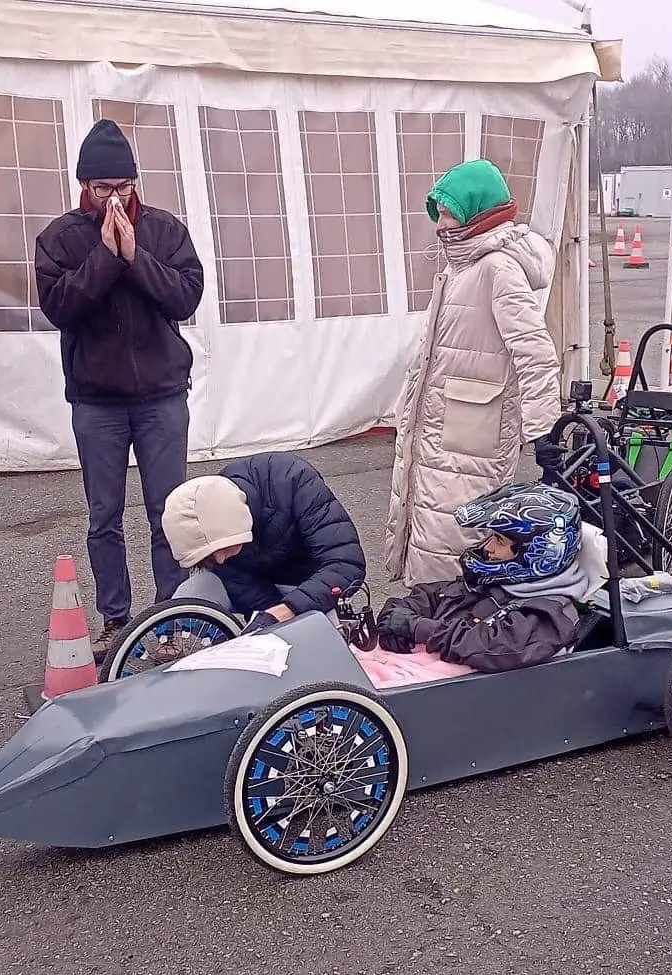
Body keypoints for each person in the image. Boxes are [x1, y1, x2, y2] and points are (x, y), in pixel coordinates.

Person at [36, 120, 206, 661]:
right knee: (104, 515)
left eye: (123, 186)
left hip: (160, 394)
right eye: (103, 188)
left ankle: (172, 613)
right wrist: (106, 257)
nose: (114, 197)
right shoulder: (59, 237)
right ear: (83, 185)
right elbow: (60, 306)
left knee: (168, 510)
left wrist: (135, 257)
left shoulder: (163, 229)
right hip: (96, 400)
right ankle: (117, 617)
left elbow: (184, 298)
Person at [384, 158, 560, 588]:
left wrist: (544, 432)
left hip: (471, 434)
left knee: (453, 536)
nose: (440, 225)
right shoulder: (460, 266)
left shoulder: (496, 268)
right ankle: (430, 621)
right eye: (438, 214)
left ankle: (445, 621)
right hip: (445, 425)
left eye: (447, 213)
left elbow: (534, 350)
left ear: (476, 212)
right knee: (431, 525)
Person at [370, 482, 600, 673]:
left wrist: (416, 627)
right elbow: (431, 595)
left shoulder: (548, 616)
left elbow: (487, 645)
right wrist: (396, 620)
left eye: (499, 540)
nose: (488, 547)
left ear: (535, 553)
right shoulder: (500, 584)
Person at [160, 452, 365, 629]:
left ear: (234, 523)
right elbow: (238, 580)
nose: (220, 560)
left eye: (218, 550)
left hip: (306, 584)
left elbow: (345, 563)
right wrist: (266, 616)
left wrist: (286, 611)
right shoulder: (209, 510)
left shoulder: (294, 479)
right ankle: (181, 659)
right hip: (251, 590)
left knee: (326, 634)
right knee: (189, 595)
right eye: (209, 557)